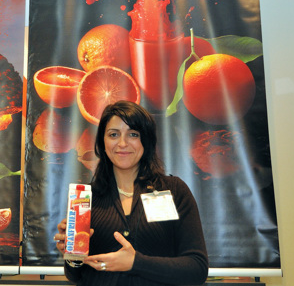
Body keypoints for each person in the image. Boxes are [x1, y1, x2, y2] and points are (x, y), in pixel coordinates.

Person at [54, 100, 208, 286]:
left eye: (133, 134)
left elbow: (197, 269)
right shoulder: (85, 198)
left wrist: (136, 263)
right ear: (103, 142)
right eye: (113, 134)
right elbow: (75, 275)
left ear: (146, 140)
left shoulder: (173, 190)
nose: (122, 143)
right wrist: (72, 253)